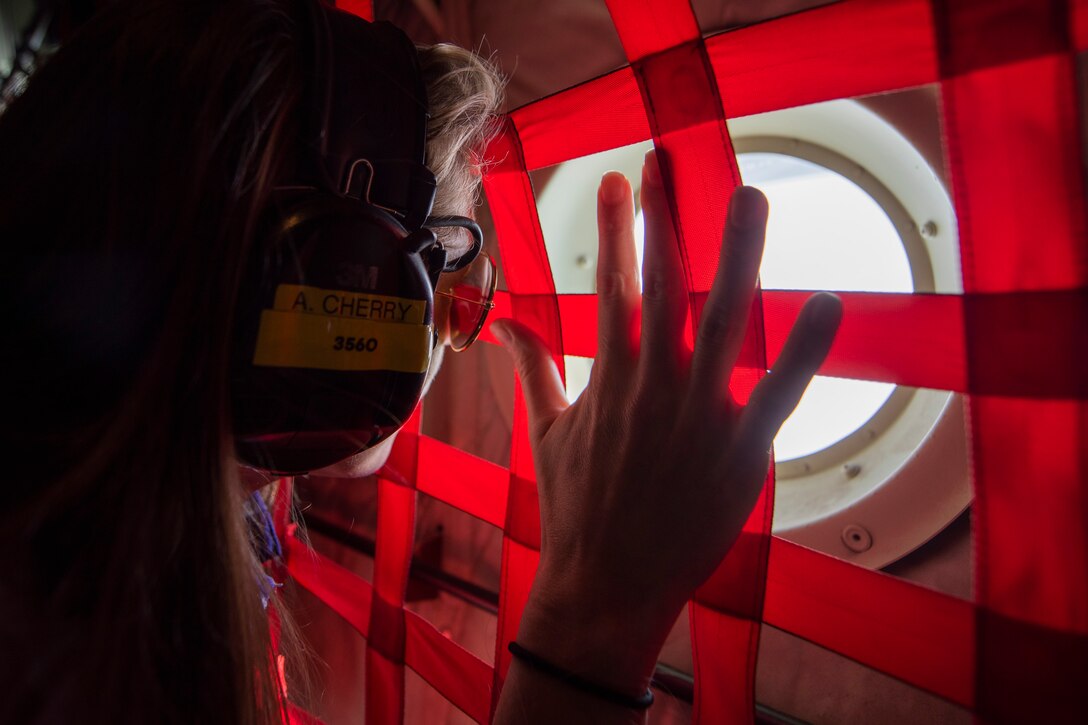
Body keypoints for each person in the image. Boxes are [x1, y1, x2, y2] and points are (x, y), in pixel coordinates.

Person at [0, 1, 841, 724]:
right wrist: (598, 614)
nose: (451, 321)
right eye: (439, 260)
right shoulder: (71, 656)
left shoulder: (113, 517)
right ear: (323, 271)